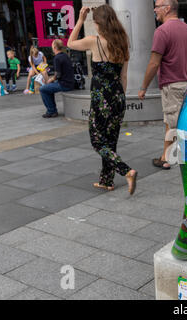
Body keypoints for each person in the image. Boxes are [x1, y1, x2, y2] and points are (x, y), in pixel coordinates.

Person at [68, 5, 138, 195]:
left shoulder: (94, 41)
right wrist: (120, 98)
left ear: (99, 23)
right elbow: (124, 77)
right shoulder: (122, 42)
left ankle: (127, 171)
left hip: (101, 100)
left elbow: (70, 43)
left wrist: (81, 20)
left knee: (97, 142)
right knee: (110, 141)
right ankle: (106, 180)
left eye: (94, 22)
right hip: (118, 97)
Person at [138, 0, 187, 170]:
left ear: (167, 9)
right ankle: (168, 155)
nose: (154, 10)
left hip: (172, 85)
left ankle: (167, 158)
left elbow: (154, 63)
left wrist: (144, 87)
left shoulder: (162, 31)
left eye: (158, 6)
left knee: (171, 122)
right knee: (182, 121)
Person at [39, 40, 74, 118]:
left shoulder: (57, 58)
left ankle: (51, 111)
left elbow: (58, 74)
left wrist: (50, 80)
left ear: (54, 47)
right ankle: (52, 110)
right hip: (70, 82)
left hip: (64, 84)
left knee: (42, 89)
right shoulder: (65, 55)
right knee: (48, 88)